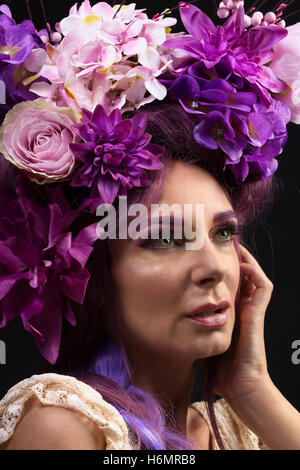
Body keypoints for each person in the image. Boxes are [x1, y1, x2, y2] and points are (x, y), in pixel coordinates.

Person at [0, 0, 300, 451]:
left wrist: (254, 390)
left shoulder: (246, 426)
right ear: (91, 280)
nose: (214, 268)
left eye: (223, 234)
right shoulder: (64, 426)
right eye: (163, 238)